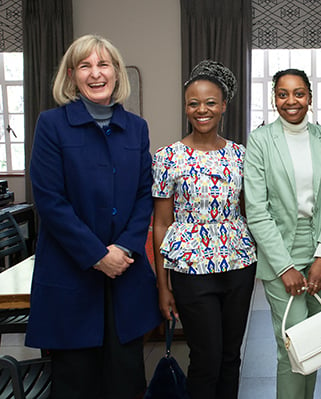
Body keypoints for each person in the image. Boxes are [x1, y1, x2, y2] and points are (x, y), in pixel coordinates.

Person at [27, 34, 162, 399]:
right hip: (71, 274)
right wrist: (98, 255)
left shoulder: (136, 127)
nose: (96, 73)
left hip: (126, 274)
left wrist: (123, 248)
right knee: (76, 384)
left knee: (126, 381)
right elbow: (50, 201)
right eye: (85, 65)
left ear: (116, 73)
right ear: (71, 75)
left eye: (104, 64)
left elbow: (142, 196)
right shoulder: (51, 125)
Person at [152, 60, 257, 399]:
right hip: (190, 269)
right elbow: (162, 224)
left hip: (239, 265)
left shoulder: (241, 155)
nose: (202, 109)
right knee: (205, 359)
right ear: (185, 107)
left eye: (210, 102)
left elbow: (248, 213)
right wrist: (162, 286)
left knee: (230, 358)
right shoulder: (168, 157)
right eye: (194, 103)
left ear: (224, 105)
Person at [244, 68, 321, 399]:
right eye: (282, 94)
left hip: (320, 254)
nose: (291, 101)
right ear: (274, 99)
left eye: (299, 93)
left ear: (310, 97)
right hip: (279, 255)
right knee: (293, 347)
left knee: (314, 348)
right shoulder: (259, 141)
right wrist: (284, 267)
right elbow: (256, 210)